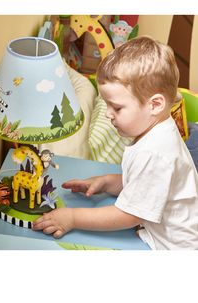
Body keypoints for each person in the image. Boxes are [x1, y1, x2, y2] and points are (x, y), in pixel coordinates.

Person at [32, 36, 198, 250]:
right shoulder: (156, 129)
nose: (109, 114)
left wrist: (72, 217)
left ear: (155, 105)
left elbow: (128, 215)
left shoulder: (155, 152)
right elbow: (147, 184)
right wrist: (108, 182)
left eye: (117, 108)